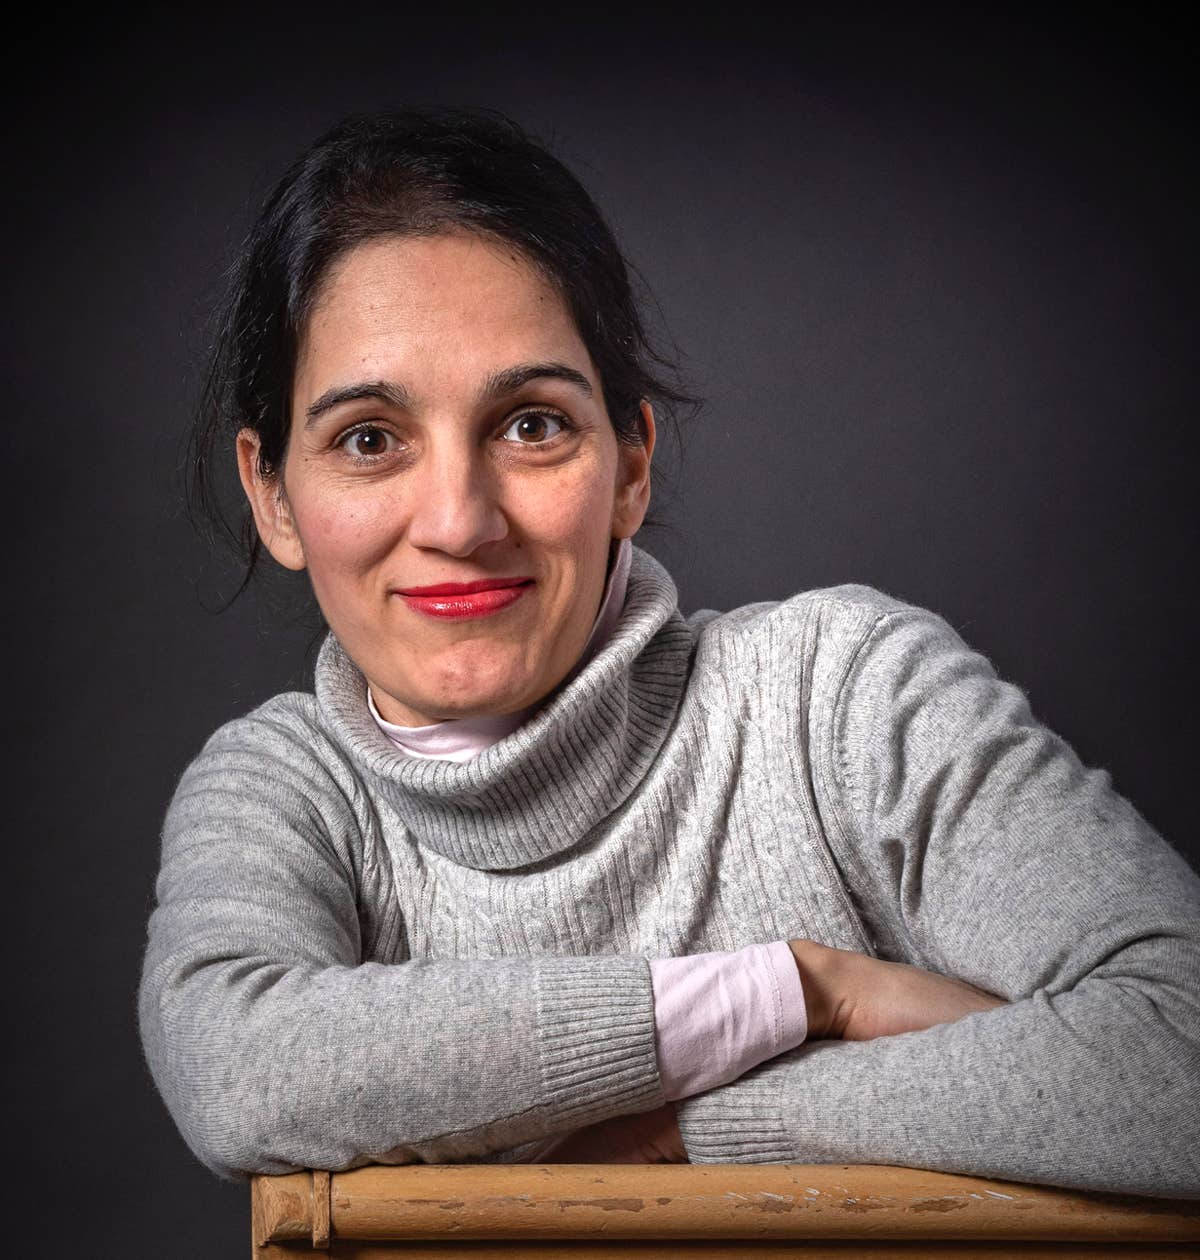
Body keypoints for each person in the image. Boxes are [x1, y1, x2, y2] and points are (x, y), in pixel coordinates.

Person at [138, 107, 1200, 1197]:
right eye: (369, 439)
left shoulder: (842, 697)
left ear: (631, 467)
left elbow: (1182, 1056)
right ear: (273, 494)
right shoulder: (282, 790)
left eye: (532, 424)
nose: (459, 520)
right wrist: (788, 994)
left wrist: (693, 1131)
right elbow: (236, 1069)